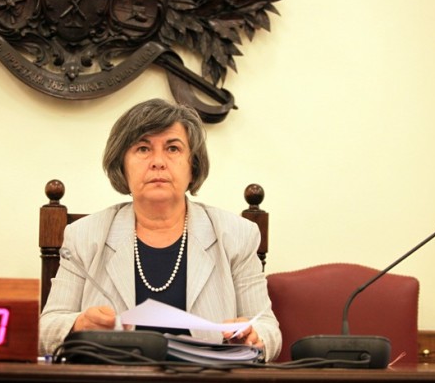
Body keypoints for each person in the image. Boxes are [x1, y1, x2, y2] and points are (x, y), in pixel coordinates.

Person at [38, 98, 282, 362]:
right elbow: (45, 330)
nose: (158, 162)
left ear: (193, 166)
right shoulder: (84, 236)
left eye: (173, 148)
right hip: (112, 379)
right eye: (143, 148)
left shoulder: (236, 235)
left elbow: (268, 328)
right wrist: (78, 325)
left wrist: (254, 337)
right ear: (122, 166)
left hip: (205, 379)